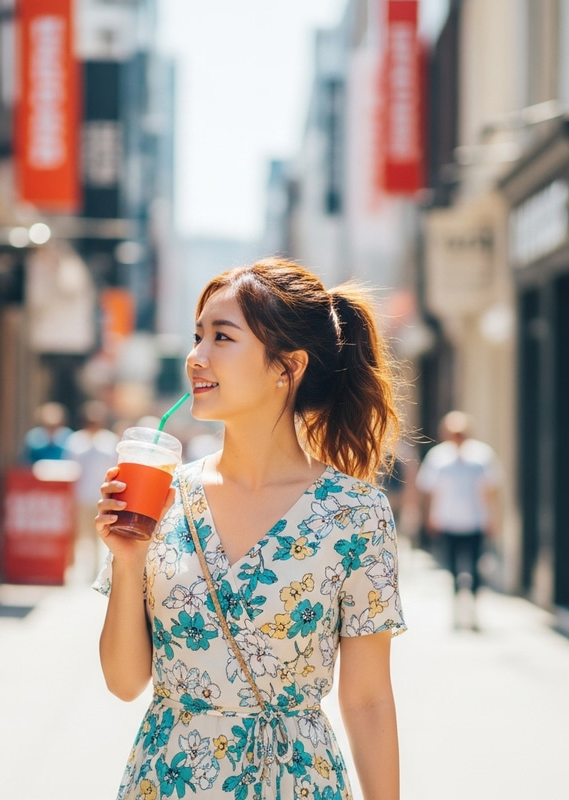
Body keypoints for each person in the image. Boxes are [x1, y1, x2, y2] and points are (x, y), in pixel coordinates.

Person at [94, 258, 406, 800]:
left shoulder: (356, 514)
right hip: (170, 781)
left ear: (287, 366)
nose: (196, 356)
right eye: (197, 336)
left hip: (298, 782)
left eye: (222, 337)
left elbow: (369, 700)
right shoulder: (162, 499)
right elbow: (125, 684)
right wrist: (127, 559)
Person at [415, 410, 502, 630]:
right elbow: (428, 490)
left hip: (475, 521)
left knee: (475, 568)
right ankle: (456, 610)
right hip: (448, 521)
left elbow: (490, 490)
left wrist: (493, 517)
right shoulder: (438, 457)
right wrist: (428, 517)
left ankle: (473, 611)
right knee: (452, 569)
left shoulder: (482, 455)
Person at [64, 400, 118, 581]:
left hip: (101, 498)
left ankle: (97, 572)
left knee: (100, 537)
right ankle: (78, 571)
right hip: (79, 497)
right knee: (79, 537)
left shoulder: (109, 442)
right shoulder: (75, 441)